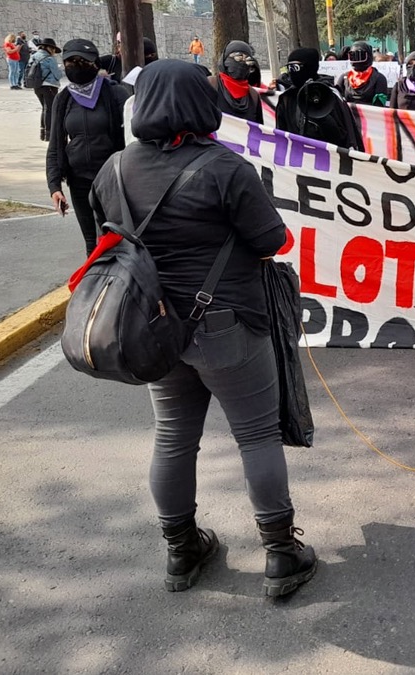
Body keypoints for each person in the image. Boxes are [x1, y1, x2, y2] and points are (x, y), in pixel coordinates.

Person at [88, 59, 318, 597]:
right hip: (228, 325)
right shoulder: (224, 167)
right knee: (256, 435)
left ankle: (181, 551)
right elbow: (273, 242)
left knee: (172, 438)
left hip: (154, 329)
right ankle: (282, 554)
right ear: (201, 103)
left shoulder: (113, 170)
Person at [46, 38, 130, 255]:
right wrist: (54, 186)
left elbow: (132, 139)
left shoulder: (115, 93)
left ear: (95, 63)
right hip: (79, 180)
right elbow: (56, 144)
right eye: (70, 62)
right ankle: (94, 284)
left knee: (118, 238)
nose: (76, 66)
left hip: (113, 178)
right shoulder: (63, 99)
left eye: (82, 61)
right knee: (91, 243)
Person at [275, 48, 363, 151]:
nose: (292, 72)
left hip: (326, 158)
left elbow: (344, 136)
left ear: (310, 67)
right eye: (289, 68)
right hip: (297, 157)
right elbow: (281, 134)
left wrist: (322, 116)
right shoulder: (287, 98)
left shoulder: (329, 94)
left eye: (295, 68)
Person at [210, 40, 263, 123]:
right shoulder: (210, 85)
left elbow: (258, 131)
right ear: (225, 59)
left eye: (247, 59)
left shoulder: (253, 96)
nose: (242, 63)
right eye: (238, 57)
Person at [30, 39, 63, 141]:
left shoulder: (33, 56)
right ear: (49, 48)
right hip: (49, 86)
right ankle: (49, 134)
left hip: (37, 86)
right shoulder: (49, 58)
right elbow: (57, 75)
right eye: (53, 49)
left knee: (44, 109)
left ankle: (43, 132)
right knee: (49, 109)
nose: (54, 52)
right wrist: (60, 70)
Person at [337, 41, 389, 106]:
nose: (357, 59)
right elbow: (336, 100)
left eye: (361, 55)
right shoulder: (344, 78)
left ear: (368, 56)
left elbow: (379, 106)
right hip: (347, 115)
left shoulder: (379, 78)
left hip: (370, 115)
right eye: (353, 56)